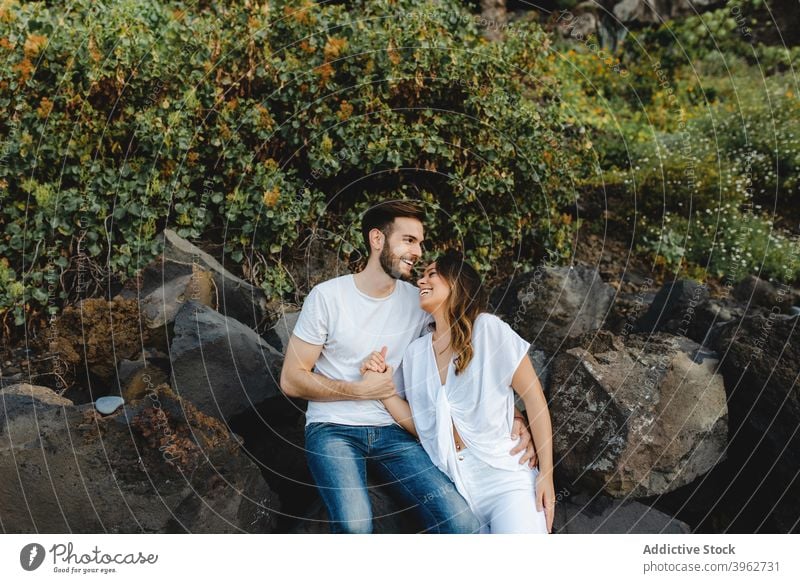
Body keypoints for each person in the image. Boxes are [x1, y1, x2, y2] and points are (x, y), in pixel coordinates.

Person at [279, 200, 537, 533]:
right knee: (357, 526)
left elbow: (466, 358)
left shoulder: (418, 302)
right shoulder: (327, 297)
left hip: (395, 432)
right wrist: (359, 390)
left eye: (419, 242)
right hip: (333, 429)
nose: (417, 251)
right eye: (408, 240)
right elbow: (291, 379)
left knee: (461, 524)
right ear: (377, 239)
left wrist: (514, 415)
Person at [364, 250, 556, 533]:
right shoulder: (416, 354)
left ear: (456, 284)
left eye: (432, 274)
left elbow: (534, 398)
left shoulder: (488, 330)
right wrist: (383, 389)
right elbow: (425, 427)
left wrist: (547, 476)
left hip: (506, 481)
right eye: (422, 275)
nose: (421, 281)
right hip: (456, 490)